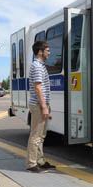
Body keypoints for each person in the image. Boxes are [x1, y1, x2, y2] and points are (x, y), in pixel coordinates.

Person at [26, 41, 56, 173]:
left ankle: (40, 161)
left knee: (41, 135)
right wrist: (44, 106)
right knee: (35, 135)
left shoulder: (40, 65)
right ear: (40, 52)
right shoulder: (37, 66)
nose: (49, 53)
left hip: (42, 104)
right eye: (47, 50)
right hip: (38, 105)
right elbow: (37, 87)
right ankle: (32, 164)